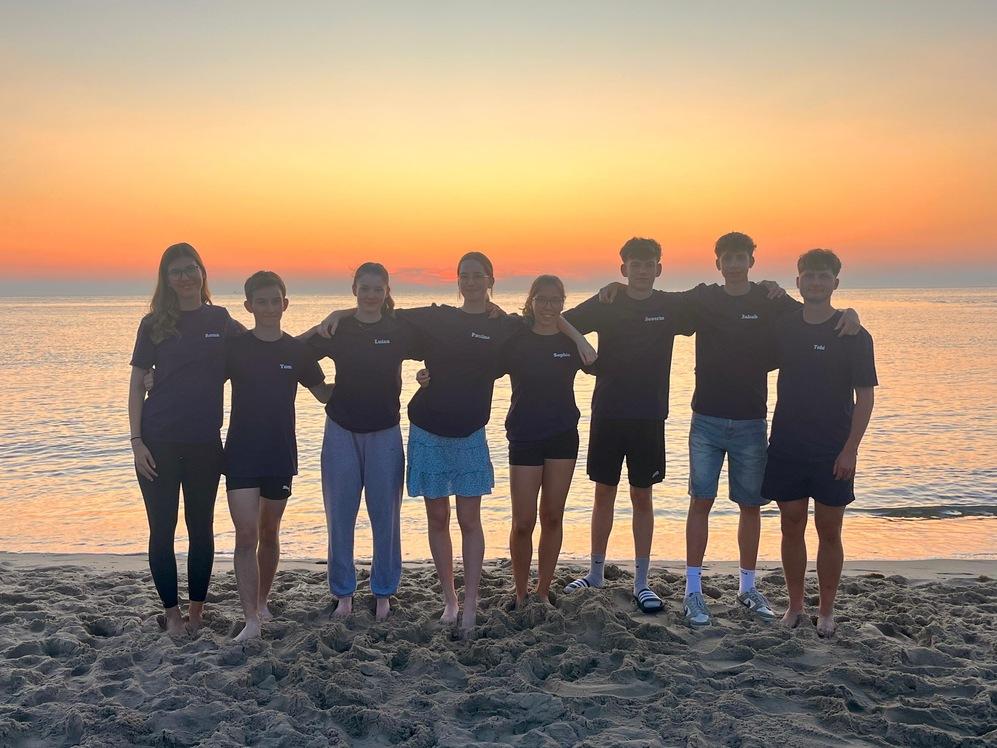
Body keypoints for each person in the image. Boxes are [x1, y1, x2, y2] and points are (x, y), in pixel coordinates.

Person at [318, 252, 594, 634]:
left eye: (478, 276)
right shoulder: (438, 317)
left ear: (490, 279)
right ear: (458, 280)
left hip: (471, 435)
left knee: (469, 520)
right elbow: (382, 312)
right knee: (438, 518)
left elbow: (544, 317)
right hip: (428, 429)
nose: (471, 282)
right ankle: (449, 600)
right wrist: (341, 314)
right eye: (464, 276)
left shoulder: (505, 325)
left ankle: (470, 605)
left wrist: (571, 327)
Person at [596, 232, 861, 627]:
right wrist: (617, 287)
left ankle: (748, 587)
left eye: (741, 257)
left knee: (749, 505)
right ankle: (692, 592)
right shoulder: (703, 298)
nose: (734, 264)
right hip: (705, 419)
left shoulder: (769, 300)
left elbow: (818, 312)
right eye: (727, 258)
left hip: (752, 420)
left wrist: (851, 315)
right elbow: (657, 301)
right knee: (700, 502)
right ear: (717, 263)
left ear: (752, 261)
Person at [561, 237, 696, 614]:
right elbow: (561, 319)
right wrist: (584, 351)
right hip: (608, 410)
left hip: (649, 414)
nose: (641, 270)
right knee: (603, 493)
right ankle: (596, 572)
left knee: (642, 496)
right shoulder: (609, 301)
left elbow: (712, 304)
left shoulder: (668, 306)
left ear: (658, 268)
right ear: (623, 269)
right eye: (633, 264)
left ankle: (641, 581)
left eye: (648, 263)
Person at [128, 242, 243, 636]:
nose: (184, 276)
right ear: (167, 279)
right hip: (158, 441)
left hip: (205, 443)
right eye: (176, 271)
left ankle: (196, 612)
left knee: (201, 528)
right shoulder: (154, 323)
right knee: (162, 529)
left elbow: (260, 346)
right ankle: (172, 614)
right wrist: (136, 441)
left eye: (190, 268)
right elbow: (135, 385)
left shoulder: (221, 319)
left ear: (201, 272)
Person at [761, 249, 877, 638]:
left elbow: (866, 397)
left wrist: (851, 449)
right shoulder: (784, 325)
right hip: (787, 444)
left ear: (835, 283)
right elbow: (751, 306)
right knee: (790, 525)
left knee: (830, 530)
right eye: (808, 275)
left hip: (832, 448)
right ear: (798, 281)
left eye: (823, 276)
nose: (815, 282)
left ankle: (826, 610)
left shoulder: (853, 334)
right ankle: (795, 605)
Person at [306, 263, 421, 622]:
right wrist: (319, 388)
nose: (370, 295)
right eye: (364, 288)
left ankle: (384, 590)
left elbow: (442, 340)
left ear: (387, 291)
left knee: (385, 516)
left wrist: (429, 375)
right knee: (340, 515)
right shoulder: (339, 328)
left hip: (385, 431)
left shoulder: (398, 328)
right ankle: (343, 592)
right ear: (354, 288)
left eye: (378, 289)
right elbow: (296, 352)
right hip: (341, 430)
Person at [222, 271, 328, 640]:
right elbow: (198, 382)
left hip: (279, 453)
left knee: (269, 531)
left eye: (275, 301)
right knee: (245, 534)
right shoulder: (235, 348)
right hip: (239, 453)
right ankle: (250, 618)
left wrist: (370, 375)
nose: (269, 308)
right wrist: (157, 380)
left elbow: (325, 394)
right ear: (249, 306)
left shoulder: (296, 351)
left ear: (286, 303)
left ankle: (263, 601)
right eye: (261, 302)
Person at [499, 275, 593, 606]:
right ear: (532, 301)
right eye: (542, 300)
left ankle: (542, 590)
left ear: (563, 304)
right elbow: (477, 367)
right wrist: (431, 376)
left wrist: (574, 333)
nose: (548, 307)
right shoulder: (516, 339)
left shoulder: (569, 343)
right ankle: (521, 590)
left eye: (556, 301)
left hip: (562, 436)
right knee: (523, 521)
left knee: (552, 515)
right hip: (524, 435)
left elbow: (593, 359)